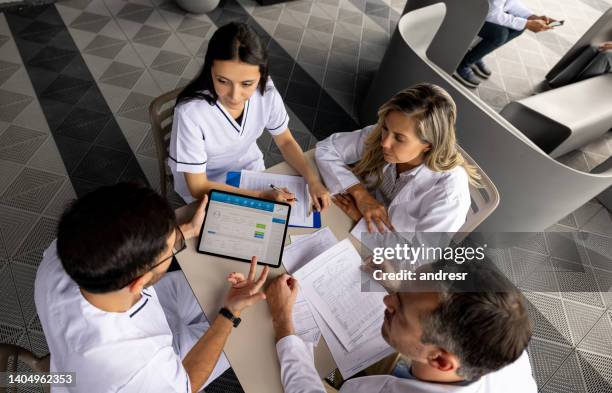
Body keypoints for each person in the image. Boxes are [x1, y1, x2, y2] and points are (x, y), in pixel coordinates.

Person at [34, 183, 269, 392]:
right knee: (245, 328)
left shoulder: (64, 252)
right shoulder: (136, 370)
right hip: (152, 372)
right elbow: (187, 383)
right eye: (168, 250)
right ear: (139, 282)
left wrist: (184, 231)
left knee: (212, 287)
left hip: (79, 358)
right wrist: (229, 313)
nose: (176, 241)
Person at [265, 261, 537, 393]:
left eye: (401, 310)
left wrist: (283, 321)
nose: (386, 299)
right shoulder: (501, 333)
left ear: (440, 359)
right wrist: (405, 289)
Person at [169, 22, 330, 210]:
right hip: (206, 181)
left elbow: (285, 141)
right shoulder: (190, 113)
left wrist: (312, 180)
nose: (235, 96)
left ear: (261, 75)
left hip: (247, 166)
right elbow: (197, 187)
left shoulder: (266, 91)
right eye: (222, 81)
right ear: (210, 69)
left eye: (246, 83)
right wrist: (259, 197)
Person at [315, 83, 478, 234]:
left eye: (399, 138)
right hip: (353, 217)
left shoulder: (450, 193)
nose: (385, 142)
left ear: (429, 144)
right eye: (386, 128)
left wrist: (361, 219)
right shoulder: (383, 135)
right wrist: (360, 194)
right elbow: (326, 149)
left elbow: (417, 257)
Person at [454, 0, 557, 88]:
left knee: (518, 28)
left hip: (480, 7)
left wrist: (532, 17)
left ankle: (476, 55)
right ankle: (462, 64)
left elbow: (509, 2)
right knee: (499, 34)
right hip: (463, 7)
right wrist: (526, 23)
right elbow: (491, 14)